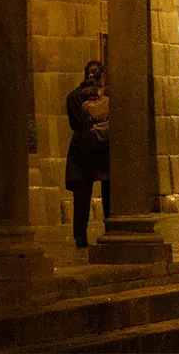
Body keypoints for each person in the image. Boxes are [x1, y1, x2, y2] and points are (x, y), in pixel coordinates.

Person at [66, 61, 110, 248]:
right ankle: (111, 229)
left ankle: (80, 236)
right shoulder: (107, 97)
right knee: (109, 192)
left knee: (82, 195)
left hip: (82, 149)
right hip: (104, 148)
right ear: (102, 76)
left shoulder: (73, 97)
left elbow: (75, 124)